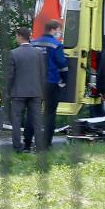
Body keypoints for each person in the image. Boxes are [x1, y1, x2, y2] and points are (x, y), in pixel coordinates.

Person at [31, 19, 68, 150]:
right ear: (53, 29)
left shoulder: (33, 43)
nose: (59, 33)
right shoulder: (56, 44)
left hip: (35, 82)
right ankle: (46, 143)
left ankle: (28, 142)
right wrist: (64, 80)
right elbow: (62, 64)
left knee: (33, 112)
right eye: (59, 30)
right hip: (51, 82)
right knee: (50, 113)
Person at [8, 27, 45, 153]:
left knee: (16, 120)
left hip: (18, 92)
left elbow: (10, 75)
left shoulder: (14, 53)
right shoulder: (38, 53)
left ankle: (17, 147)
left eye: (16, 36)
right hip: (36, 91)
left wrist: (8, 90)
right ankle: (40, 147)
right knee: (37, 120)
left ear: (19, 36)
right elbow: (42, 73)